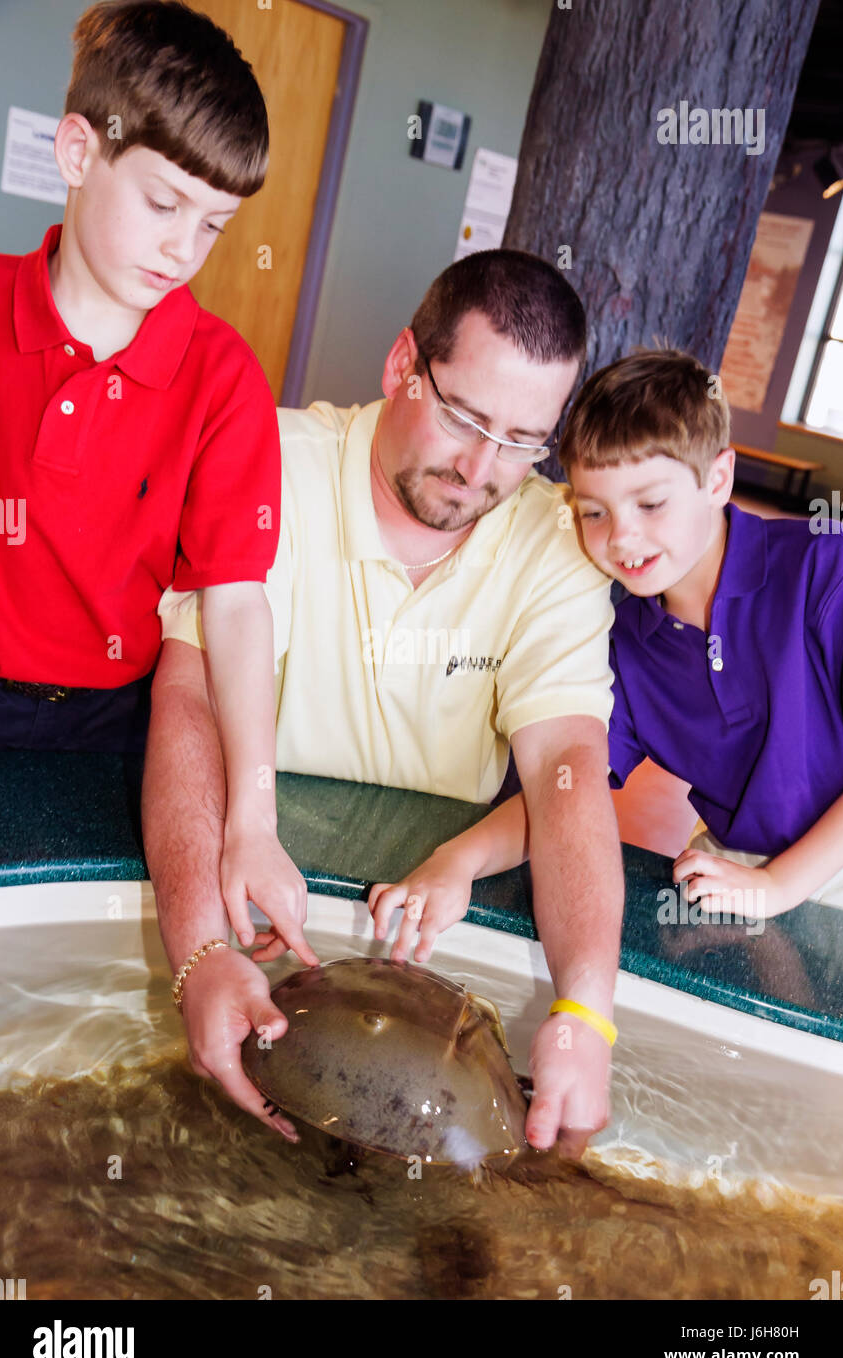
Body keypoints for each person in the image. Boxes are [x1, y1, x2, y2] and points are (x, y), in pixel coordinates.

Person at [145, 248, 625, 1154]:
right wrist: (201, 953)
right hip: (257, 907)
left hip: (423, 956)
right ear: (403, 363)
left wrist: (585, 1012)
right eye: (464, 417)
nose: (483, 467)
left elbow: (567, 765)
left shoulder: (554, 542)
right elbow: (188, 701)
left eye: (524, 441)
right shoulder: (272, 460)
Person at [0, 2, 288, 932]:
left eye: (215, 226)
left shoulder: (224, 378)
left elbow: (234, 604)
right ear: (78, 153)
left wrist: (254, 819)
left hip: (119, 728)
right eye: (163, 205)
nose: (182, 250)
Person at [413, 347, 843, 956]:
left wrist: (778, 886)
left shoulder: (824, 569)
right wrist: (455, 861)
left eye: (650, 503)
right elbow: (565, 788)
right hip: (741, 866)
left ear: (717, 479)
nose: (623, 537)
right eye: (595, 511)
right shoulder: (622, 646)